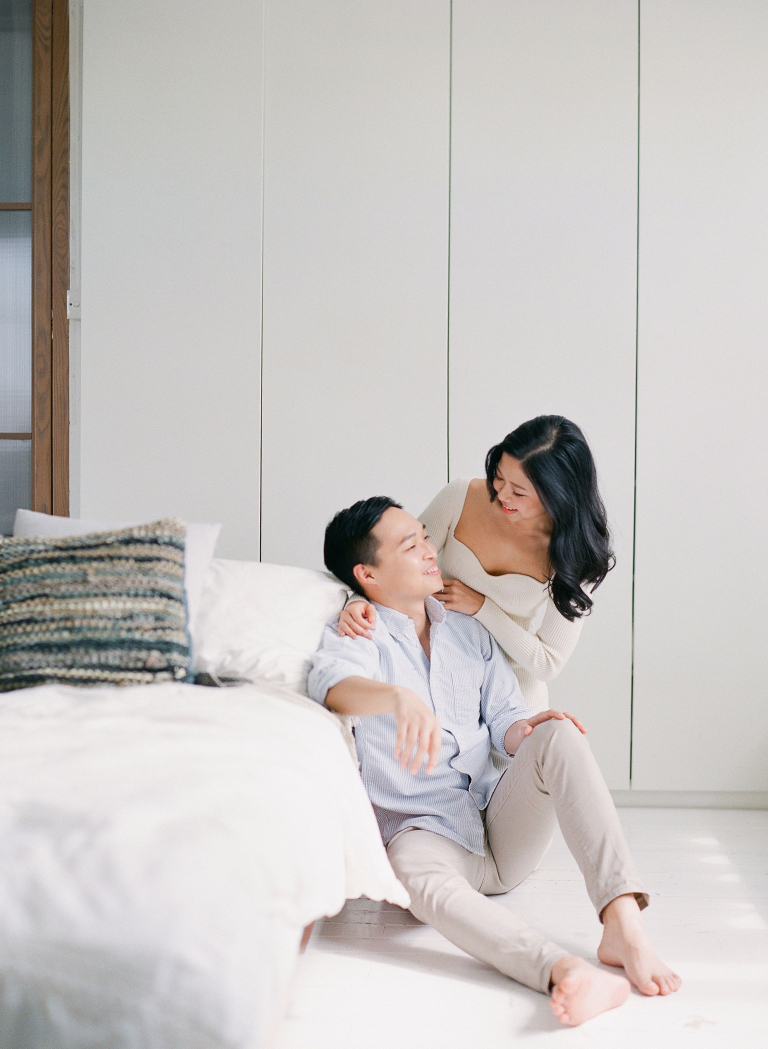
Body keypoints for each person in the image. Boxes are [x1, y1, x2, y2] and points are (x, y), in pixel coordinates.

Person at [308, 496, 680, 1027]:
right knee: (412, 877)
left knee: (558, 732)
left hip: (498, 826)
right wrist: (395, 697)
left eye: (425, 536)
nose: (430, 550)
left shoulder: (467, 631)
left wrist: (527, 730)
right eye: (411, 545)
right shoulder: (360, 632)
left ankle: (623, 924)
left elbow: (506, 717)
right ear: (367, 573)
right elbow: (333, 687)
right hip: (425, 832)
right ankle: (564, 972)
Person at [337, 415, 613, 711]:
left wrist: (482, 607)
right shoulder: (461, 496)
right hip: (443, 673)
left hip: (515, 696)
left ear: (559, 495)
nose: (502, 495)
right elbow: (391, 563)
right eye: (499, 477)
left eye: (519, 491)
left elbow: (548, 663)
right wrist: (357, 602)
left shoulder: (576, 554)